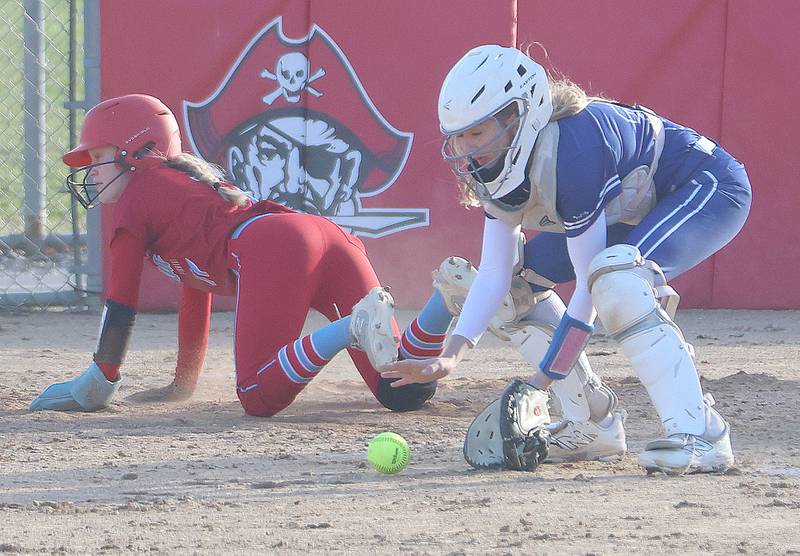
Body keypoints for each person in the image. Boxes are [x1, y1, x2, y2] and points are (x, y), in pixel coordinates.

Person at [380, 45, 751, 475]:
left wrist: (542, 381)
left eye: (476, 133)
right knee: (517, 292)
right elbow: (497, 275)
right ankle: (592, 424)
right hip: (630, 207)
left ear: (518, 117)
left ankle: (701, 432)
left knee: (615, 278)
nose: (464, 149)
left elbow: (589, 294)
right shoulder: (502, 165)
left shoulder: (575, 150)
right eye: (457, 135)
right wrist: (451, 357)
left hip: (706, 185)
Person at [29, 94, 437, 417]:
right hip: (323, 235)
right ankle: (443, 306)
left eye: (99, 156)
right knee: (401, 390)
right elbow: (195, 289)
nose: (92, 171)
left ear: (136, 150)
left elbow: (120, 302)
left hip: (276, 246)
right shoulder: (175, 189)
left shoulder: (137, 196)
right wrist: (183, 384)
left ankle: (348, 328)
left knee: (257, 397)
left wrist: (102, 376)